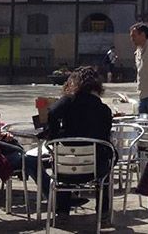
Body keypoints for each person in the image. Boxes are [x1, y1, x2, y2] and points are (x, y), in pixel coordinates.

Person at [47, 66, 114, 220]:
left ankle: (63, 211)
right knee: (107, 160)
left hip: (67, 166)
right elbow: (105, 137)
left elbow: (51, 113)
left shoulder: (68, 101)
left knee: (63, 160)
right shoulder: (104, 109)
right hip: (94, 168)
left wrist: (55, 136)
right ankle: (103, 211)